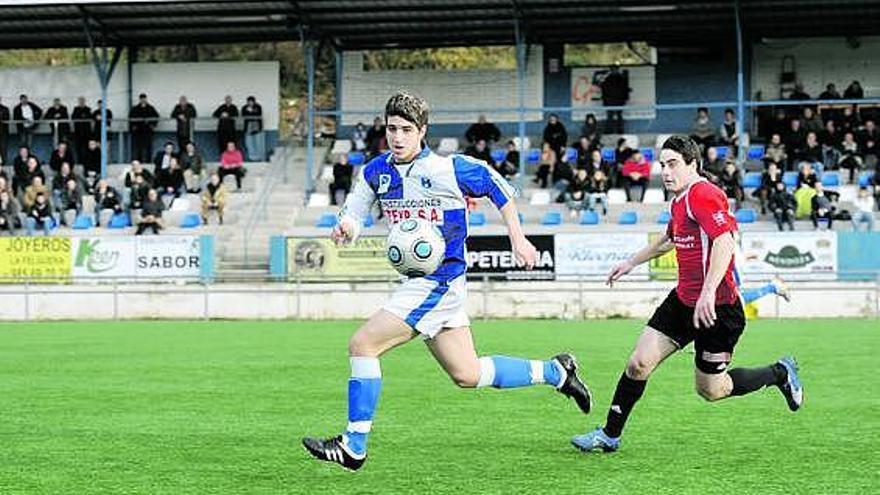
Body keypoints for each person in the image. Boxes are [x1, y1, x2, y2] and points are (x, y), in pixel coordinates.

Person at [302, 91, 592, 471]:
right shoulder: (375, 172)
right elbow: (355, 213)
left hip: (439, 281)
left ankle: (354, 445)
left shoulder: (449, 168)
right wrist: (346, 229)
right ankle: (556, 371)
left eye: (407, 129)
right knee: (467, 374)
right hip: (425, 285)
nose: (398, 137)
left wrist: (518, 238)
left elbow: (498, 189)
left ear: (422, 131)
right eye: (392, 129)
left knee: (363, 345)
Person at [571, 135, 803, 454]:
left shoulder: (704, 194)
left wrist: (709, 290)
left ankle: (779, 373)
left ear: (693, 164)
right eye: (662, 165)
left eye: (673, 164)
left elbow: (724, 240)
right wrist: (630, 262)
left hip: (718, 312)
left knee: (712, 390)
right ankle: (610, 435)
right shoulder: (678, 201)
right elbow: (668, 241)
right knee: (638, 363)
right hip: (682, 303)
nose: (665, 172)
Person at [129, 93, 159, 163]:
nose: (143, 100)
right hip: (137, 132)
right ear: (140, 99)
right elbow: (131, 119)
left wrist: (152, 125)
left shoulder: (150, 108)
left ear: (146, 99)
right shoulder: (135, 109)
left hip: (147, 131)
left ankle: (148, 161)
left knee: (148, 147)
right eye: (141, 99)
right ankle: (137, 162)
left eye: (144, 98)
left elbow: (156, 117)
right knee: (137, 148)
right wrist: (133, 127)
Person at [600, 65, 629, 134]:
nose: (614, 71)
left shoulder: (621, 78)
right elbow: (603, 90)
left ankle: (619, 130)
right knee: (610, 116)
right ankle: (610, 130)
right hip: (611, 101)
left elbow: (625, 90)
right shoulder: (608, 79)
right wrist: (605, 101)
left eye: (615, 69)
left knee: (618, 116)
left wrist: (624, 99)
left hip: (618, 101)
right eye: (612, 69)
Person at [241, 96, 264, 162]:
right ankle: (251, 157)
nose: (250, 103)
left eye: (251, 101)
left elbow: (258, 114)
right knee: (249, 142)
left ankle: (259, 157)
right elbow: (243, 115)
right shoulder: (244, 107)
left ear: (254, 101)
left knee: (257, 141)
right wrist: (249, 111)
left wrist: (251, 111)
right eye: (249, 102)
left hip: (257, 125)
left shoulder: (258, 106)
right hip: (248, 126)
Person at [71, 97, 92, 163]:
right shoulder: (76, 109)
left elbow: (90, 117)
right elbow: (73, 117)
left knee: (86, 148)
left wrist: (82, 116)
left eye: (82, 101)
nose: (81, 102)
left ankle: (86, 161)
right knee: (78, 148)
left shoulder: (88, 109)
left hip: (86, 132)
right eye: (80, 101)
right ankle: (79, 161)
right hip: (78, 132)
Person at [0, 97, 9, 165]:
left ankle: (4, 163)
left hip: (3, 132)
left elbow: (6, 118)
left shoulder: (5, 109)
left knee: (3, 148)